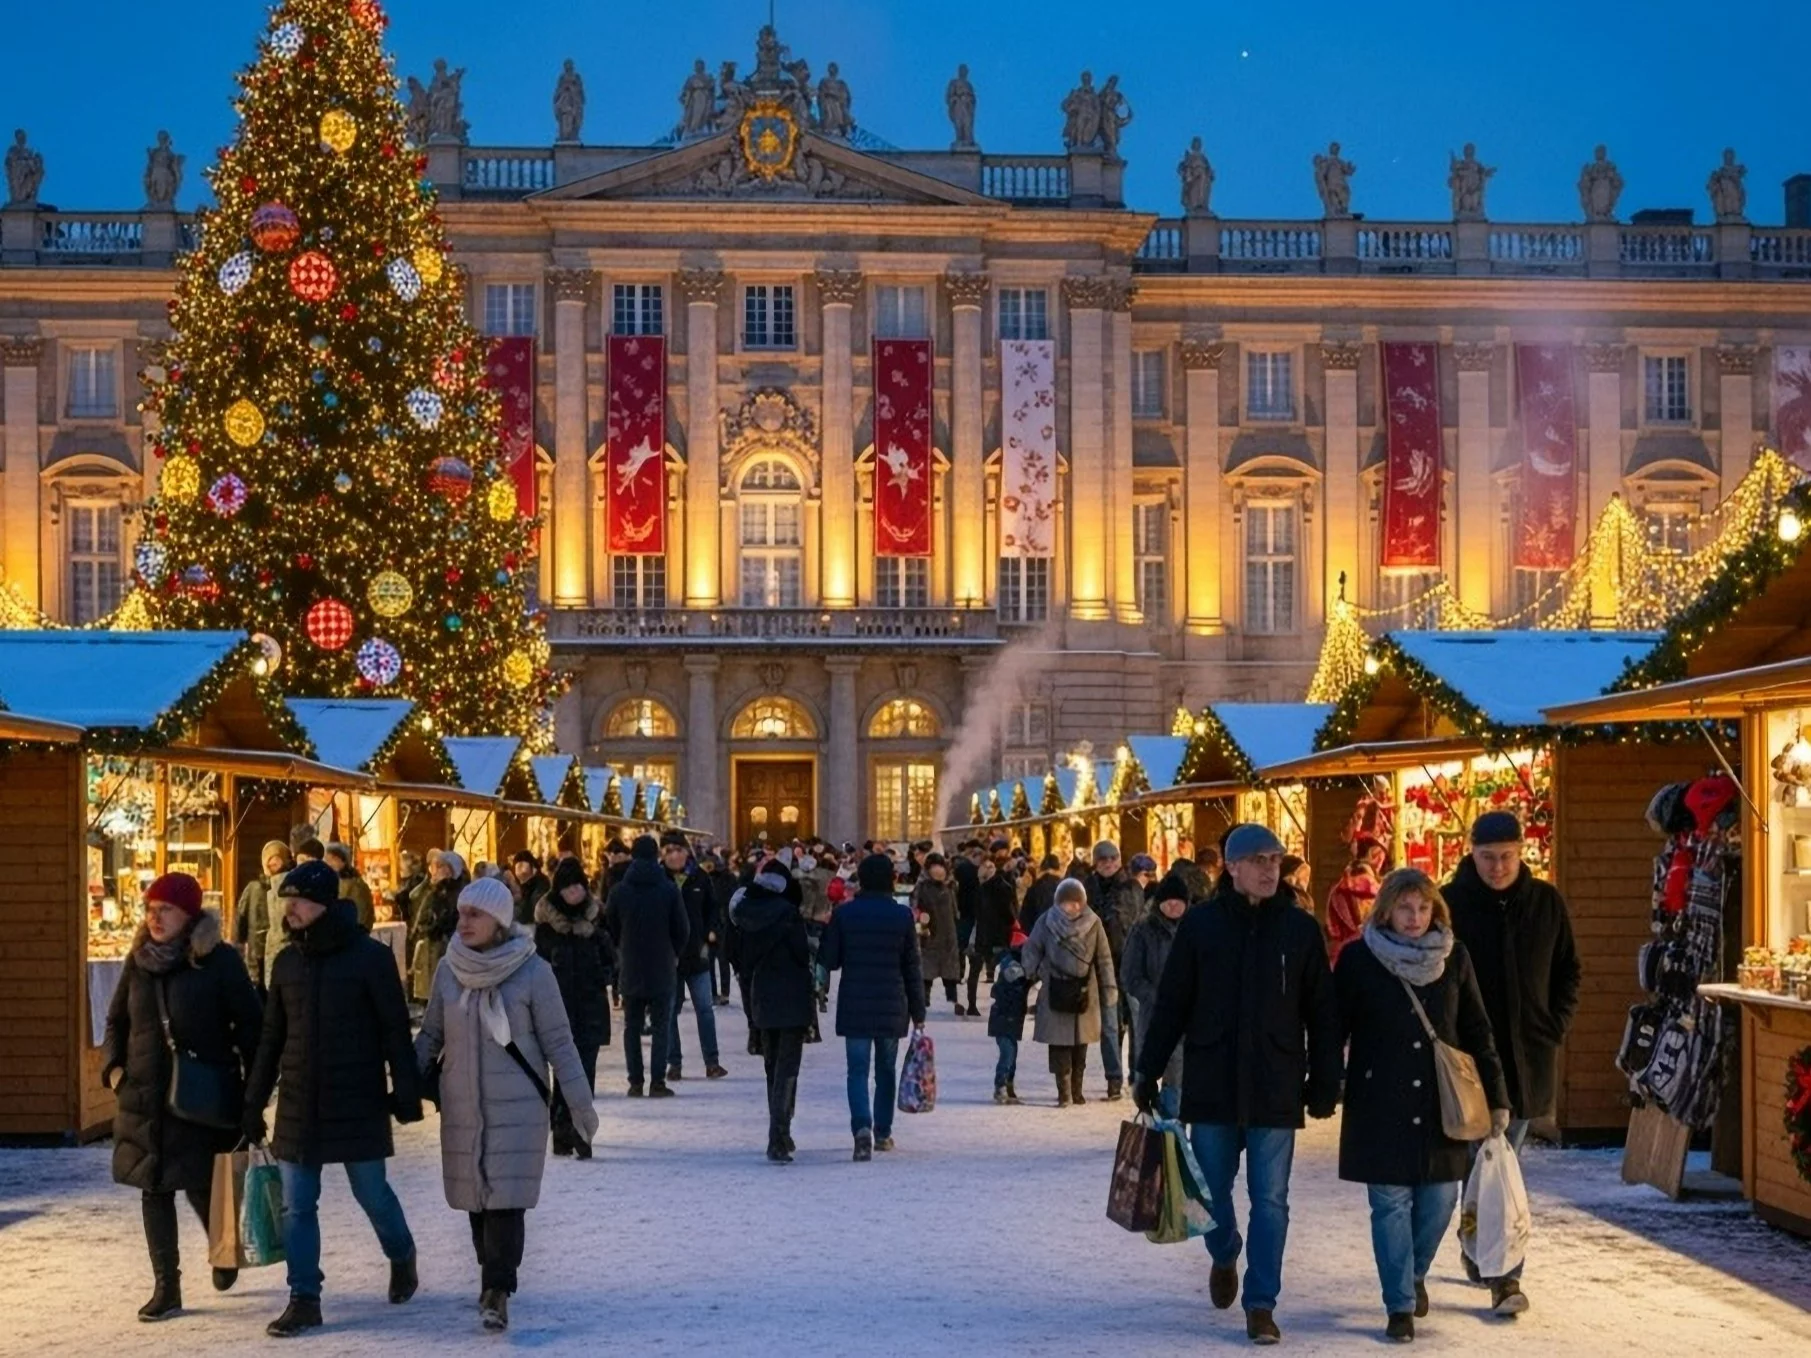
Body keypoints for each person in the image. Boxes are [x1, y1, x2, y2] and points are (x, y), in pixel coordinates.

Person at [1133, 824, 1342, 1347]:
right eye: (1259, 860)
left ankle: (1262, 1303)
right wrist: (1147, 1069)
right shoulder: (1202, 927)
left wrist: (1323, 1081)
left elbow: (1323, 1011)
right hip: (1213, 1082)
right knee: (1208, 1194)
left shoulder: (1299, 929)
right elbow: (1172, 1004)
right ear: (1232, 867)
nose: (1271, 869)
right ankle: (1225, 1252)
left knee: (1271, 1200)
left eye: (1276, 859)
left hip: (1276, 1083)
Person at [243, 860, 423, 1338]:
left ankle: (402, 1253)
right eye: (287, 900)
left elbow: (394, 1031)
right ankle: (304, 1297)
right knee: (297, 1205)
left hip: (356, 1098)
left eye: (298, 900)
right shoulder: (286, 962)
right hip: (299, 1102)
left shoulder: (369, 957)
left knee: (372, 1193)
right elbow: (271, 1038)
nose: (290, 909)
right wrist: (253, 1100)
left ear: (323, 903)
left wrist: (406, 1093)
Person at [417, 876, 599, 1332]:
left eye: (474, 914)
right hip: (461, 1104)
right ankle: (490, 1277)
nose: (464, 922)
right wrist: (403, 1084)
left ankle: (498, 1288)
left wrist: (579, 1104)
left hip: (517, 1107)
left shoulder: (534, 972)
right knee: (476, 1202)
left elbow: (560, 1042)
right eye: (461, 913)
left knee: (505, 1202)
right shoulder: (448, 969)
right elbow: (431, 1037)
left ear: (499, 921)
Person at [1336, 868, 1511, 1343]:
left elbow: (1477, 1030)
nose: (1414, 918)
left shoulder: (1454, 959)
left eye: (1423, 908)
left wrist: (1497, 1097)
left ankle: (1411, 1274)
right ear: (1386, 910)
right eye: (1405, 908)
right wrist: (1325, 1082)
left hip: (1443, 1105)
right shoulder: (1358, 959)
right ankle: (1399, 1304)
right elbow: (1334, 1028)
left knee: (1439, 1202)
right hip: (1378, 1102)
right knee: (1389, 1205)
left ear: (1436, 911)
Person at [103, 873, 262, 1321]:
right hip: (142, 1095)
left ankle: (224, 1250)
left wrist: (253, 1094)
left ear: (189, 916)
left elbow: (251, 1026)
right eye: (150, 908)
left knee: (199, 1182)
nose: (154, 917)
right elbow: (116, 1020)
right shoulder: (138, 960)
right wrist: (114, 1071)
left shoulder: (219, 962)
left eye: (165, 910)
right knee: (153, 1188)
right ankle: (166, 1288)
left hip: (199, 1096)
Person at [1444, 811, 1581, 1316]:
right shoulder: (1451, 904)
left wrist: (1554, 1024)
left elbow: (1569, 968)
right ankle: (1492, 1259)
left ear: (1521, 852)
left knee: (1502, 1164)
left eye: (1506, 856)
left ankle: (1494, 1260)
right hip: (1468, 1068)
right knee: (1481, 1165)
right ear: (1471, 853)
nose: (1497, 866)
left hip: (1527, 1061)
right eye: (1487, 857)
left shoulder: (1544, 902)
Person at [819, 853, 926, 1159]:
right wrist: (918, 1011)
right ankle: (883, 1131)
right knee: (885, 1071)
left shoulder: (845, 914)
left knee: (856, 1070)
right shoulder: (902, 917)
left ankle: (861, 1127)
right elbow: (912, 968)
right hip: (892, 1002)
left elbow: (831, 959)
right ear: (891, 880)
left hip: (855, 1001)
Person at [732, 857, 816, 1162]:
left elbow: (740, 960)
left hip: (762, 997)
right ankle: (779, 1135)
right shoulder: (789, 914)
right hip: (791, 997)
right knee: (787, 1069)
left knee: (772, 1068)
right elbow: (799, 953)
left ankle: (779, 1132)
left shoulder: (745, 915)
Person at [533, 855, 615, 1157]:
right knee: (563, 1073)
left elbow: (611, 958)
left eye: (578, 887)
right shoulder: (546, 928)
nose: (574, 893)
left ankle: (582, 1134)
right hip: (556, 1010)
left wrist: (602, 975)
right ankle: (561, 1131)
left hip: (591, 1007)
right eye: (568, 888)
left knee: (585, 1074)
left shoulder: (595, 922)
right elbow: (537, 969)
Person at [603, 835, 689, 1098]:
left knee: (632, 1026)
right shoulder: (668, 889)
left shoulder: (619, 890)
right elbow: (682, 929)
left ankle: (636, 1081)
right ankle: (658, 1082)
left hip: (630, 965)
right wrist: (673, 952)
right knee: (662, 1026)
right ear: (656, 856)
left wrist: (622, 948)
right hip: (662, 965)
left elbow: (610, 926)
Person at [1021, 877, 1117, 1107]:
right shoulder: (1046, 922)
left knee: (1080, 1045)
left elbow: (1103, 958)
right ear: (1058, 902)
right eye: (1066, 903)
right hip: (1055, 988)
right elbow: (1032, 948)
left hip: (1085, 991)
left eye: (1076, 902)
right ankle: (1063, 1090)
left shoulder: (1094, 923)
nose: (1071, 907)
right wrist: (1031, 971)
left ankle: (1077, 1088)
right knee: (1059, 1045)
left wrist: (1109, 987)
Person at [1121, 871, 1187, 1119]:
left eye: (1178, 900)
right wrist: (1155, 996)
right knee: (1147, 1072)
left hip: (1186, 1016)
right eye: (1167, 900)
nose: (1172, 905)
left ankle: (1172, 1126)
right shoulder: (1143, 931)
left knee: (1177, 1074)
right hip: (1154, 1015)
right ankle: (1150, 1116)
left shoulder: (1193, 930)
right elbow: (1130, 975)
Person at [662, 831, 727, 1082]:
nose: (674, 855)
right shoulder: (659, 879)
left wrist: (712, 932)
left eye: (678, 850)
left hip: (696, 954)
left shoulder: (700, 877)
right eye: (668, 851)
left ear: (687, 852)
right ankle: (674, 1063)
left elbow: (713, 908)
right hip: (669, 957)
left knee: (705, 1010)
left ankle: (712, 1062)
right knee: (669, 1012)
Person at [1085, 840, 1143, 1100]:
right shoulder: (1089, 888)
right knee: (1110, 1025)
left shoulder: (1130, 887)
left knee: (1137, 1023)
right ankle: (1113, 1077)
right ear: (1096, 863)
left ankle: (1137, 1074)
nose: (1108, 863)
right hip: (1103, 964)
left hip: (1131, 963)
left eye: (1112, 858)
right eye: (1103, 859)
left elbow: (1134, 922)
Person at [410, 850, 467, 1004]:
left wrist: (434, 927)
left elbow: (451, 918)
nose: (433, 871)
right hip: (434, 944)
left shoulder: (456, 892)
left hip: (447, 944)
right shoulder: (434, 890)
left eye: (439, 867)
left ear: (449, 870)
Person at [910, 853, 962, 1014]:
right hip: (929, 931)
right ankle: (924, 1000)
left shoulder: (950, 885)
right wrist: (920, 921)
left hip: (948, 932)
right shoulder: (922, 886)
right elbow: (915, 905)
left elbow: (955, 908)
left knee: (950, 969)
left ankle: (952, 1000)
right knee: (927, 967)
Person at [237, 840, 291, 989]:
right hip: (257, 951)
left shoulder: (290, 887)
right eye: (269, 860)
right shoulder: (254, 888)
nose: (273, 864)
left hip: (282, 949)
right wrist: (240, 944)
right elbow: (241, 918)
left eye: (277, 859)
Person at [969, 852, 1019, 1015]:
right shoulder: (1002, 887)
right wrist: (1013, 922)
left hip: (986, 934)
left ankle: (972, 1004)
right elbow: (1009, 911)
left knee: (977, 969)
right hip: (998, 935)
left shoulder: (984, 888)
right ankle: (1004, 1002)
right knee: (1003, 968)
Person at [987, 922, 1031, 1104]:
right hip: (1005, 1018)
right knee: (1007, 1054)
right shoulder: (1012, 966)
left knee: (1011, 1054)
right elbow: (1018, 985)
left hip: (1010, 1018)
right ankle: (1001, 1085)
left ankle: (1008, 1086)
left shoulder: (1010, 963)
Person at [1325, 847, 1381, 965]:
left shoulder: (1336, 891)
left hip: (1341, 953)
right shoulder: (1379, 892)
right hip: (1373, 949)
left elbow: (1332, 924)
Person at [705, 852, 738, 1004]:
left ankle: (721, 993)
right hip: (715, 924)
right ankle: (717, 993)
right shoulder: (705, 880)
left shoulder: (722, 879)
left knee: (719, 959)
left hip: (721, 923)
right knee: (713, 960)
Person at [324, 842, 375, 931]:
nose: (329, 863)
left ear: (342, 860)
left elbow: (362, 915)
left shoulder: (356, 886)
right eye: (327, 859)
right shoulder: (331, 881)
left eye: (333, 859)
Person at [1018, 853, 1062, 935]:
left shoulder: (1035, 888)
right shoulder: (1066, 887)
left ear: (1042, 868)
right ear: (1058, 869)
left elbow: (1024, 918)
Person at [509, 851, 551, 926]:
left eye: (522, 863)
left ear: (532, 866)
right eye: (517, 865)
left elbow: (533, 909)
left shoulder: (541, 883)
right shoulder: (518, 886)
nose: (519, 867)